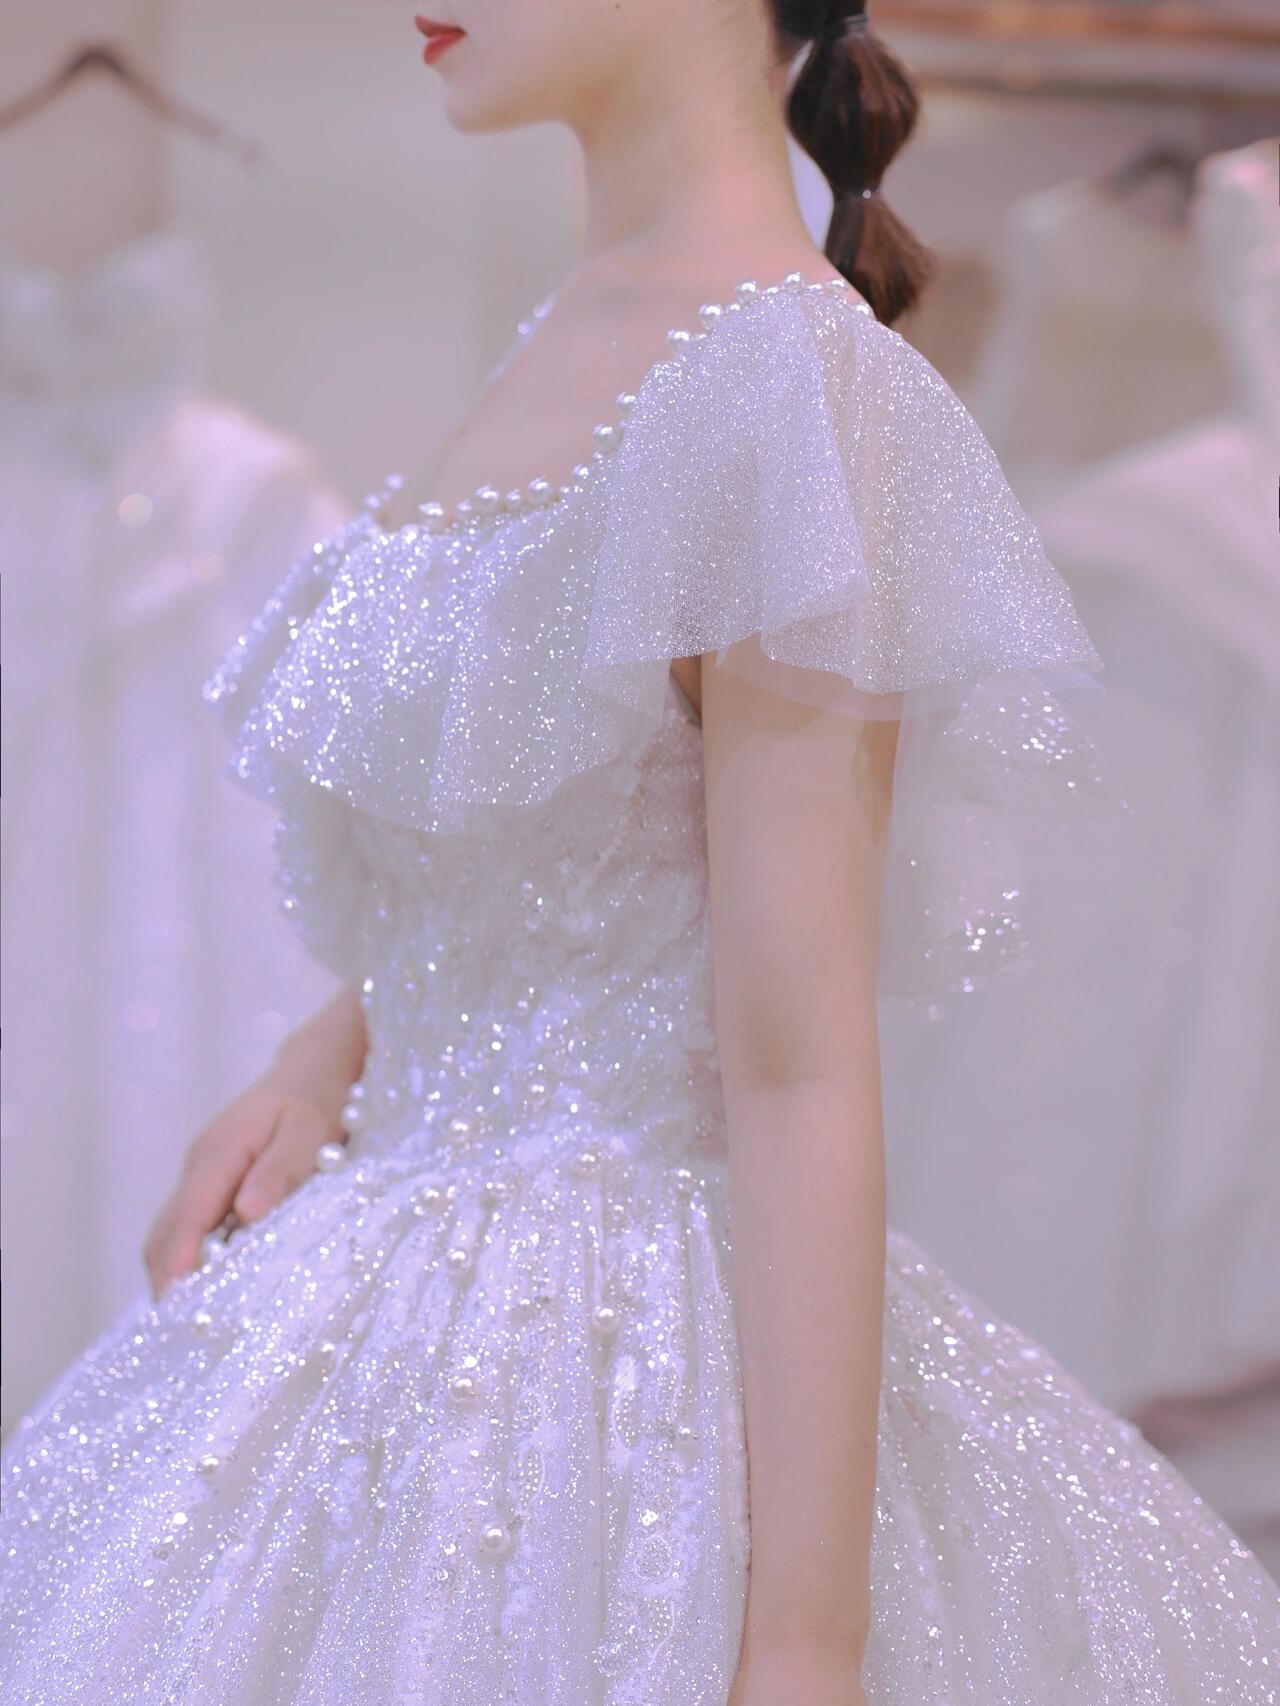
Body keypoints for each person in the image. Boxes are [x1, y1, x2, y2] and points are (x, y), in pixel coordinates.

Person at [2, 2, 1277, 1701]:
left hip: (617, 1370)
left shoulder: (787, 382)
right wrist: (338, 1047)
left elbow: (800, 1062)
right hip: (389, 1290)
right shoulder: (579, 326)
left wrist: (805, 1640)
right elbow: (555, 828)